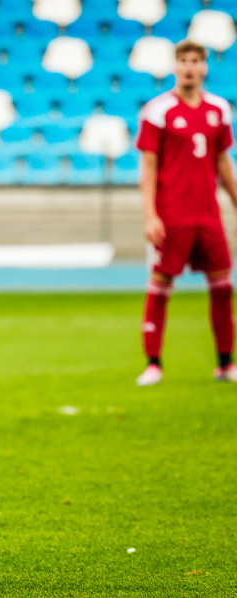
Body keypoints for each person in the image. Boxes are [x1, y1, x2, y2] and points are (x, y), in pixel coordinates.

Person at [135, 40, 237, 385]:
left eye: (196, 61)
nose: (189, 67)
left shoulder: (220, 110)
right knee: (161, 285)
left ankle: (225, 362)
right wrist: (150, 214)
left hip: (208, 213)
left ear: (205, 67)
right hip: (172, 213)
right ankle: (153, 363)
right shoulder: (157, 110)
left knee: (223, 286)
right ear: (175, 66)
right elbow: (148, 166)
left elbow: (223, 161)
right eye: (183, 61)